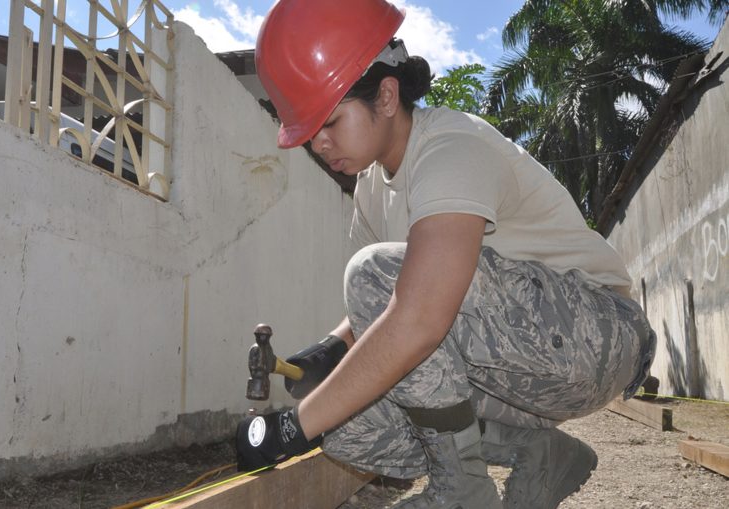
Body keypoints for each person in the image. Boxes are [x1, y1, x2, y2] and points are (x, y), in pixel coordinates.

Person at [234, 1, 656, 508]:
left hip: (601, 338)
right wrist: (331, 348)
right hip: (523, 366)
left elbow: (417, 314)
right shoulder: (369, 190)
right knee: (346, 423)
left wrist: (291, 428)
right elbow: (388, 312)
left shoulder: (451, 147)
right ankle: (538, 450)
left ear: (386, 95)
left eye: (331, 121)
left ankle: (463, 493)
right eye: (308, 135)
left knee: (372, 289)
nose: (321, 144)